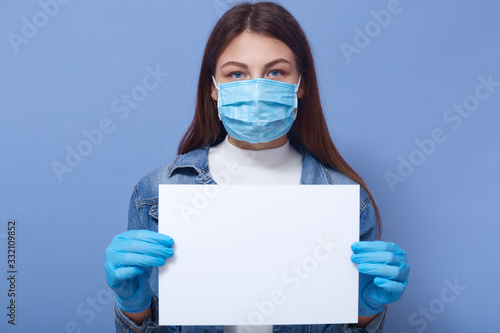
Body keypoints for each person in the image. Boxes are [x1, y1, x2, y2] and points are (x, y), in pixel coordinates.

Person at [104, 2, 410, 333]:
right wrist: (133, 308)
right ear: (213, 87)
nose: (256, 88)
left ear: (301, 83)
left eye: (276, 72)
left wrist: (366, 312)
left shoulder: (346, 199)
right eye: (237, 73)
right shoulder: (156, 192)